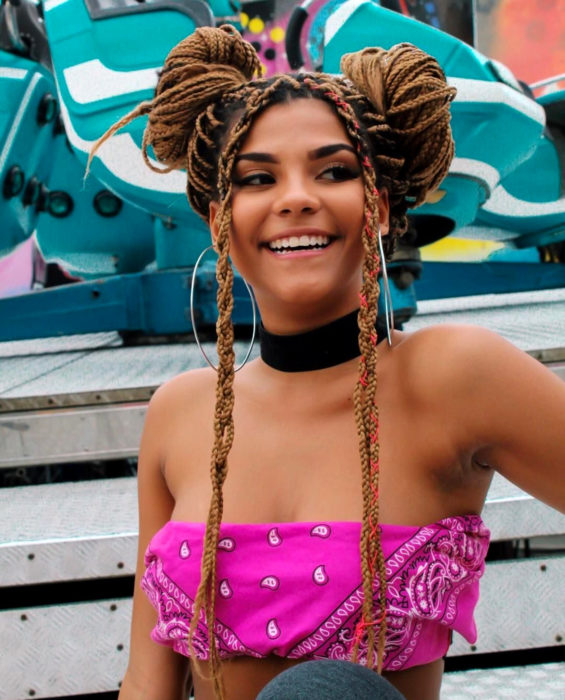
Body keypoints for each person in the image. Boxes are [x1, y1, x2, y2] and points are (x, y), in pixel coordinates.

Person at [89, 25, 565, 700]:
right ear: (218, 216)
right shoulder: (181, 412)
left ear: (380, 205)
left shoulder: (454, 376)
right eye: (257, 179)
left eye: (334, 170)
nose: (295, 198)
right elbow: (147, 682)